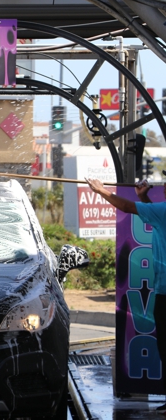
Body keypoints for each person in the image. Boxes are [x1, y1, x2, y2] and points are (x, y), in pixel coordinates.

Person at [85, 174, 166, 411]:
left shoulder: (163, 211)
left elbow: (127, 207)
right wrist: (145, 197)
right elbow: (157, 215)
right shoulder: (160, 212)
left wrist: (101, 190)